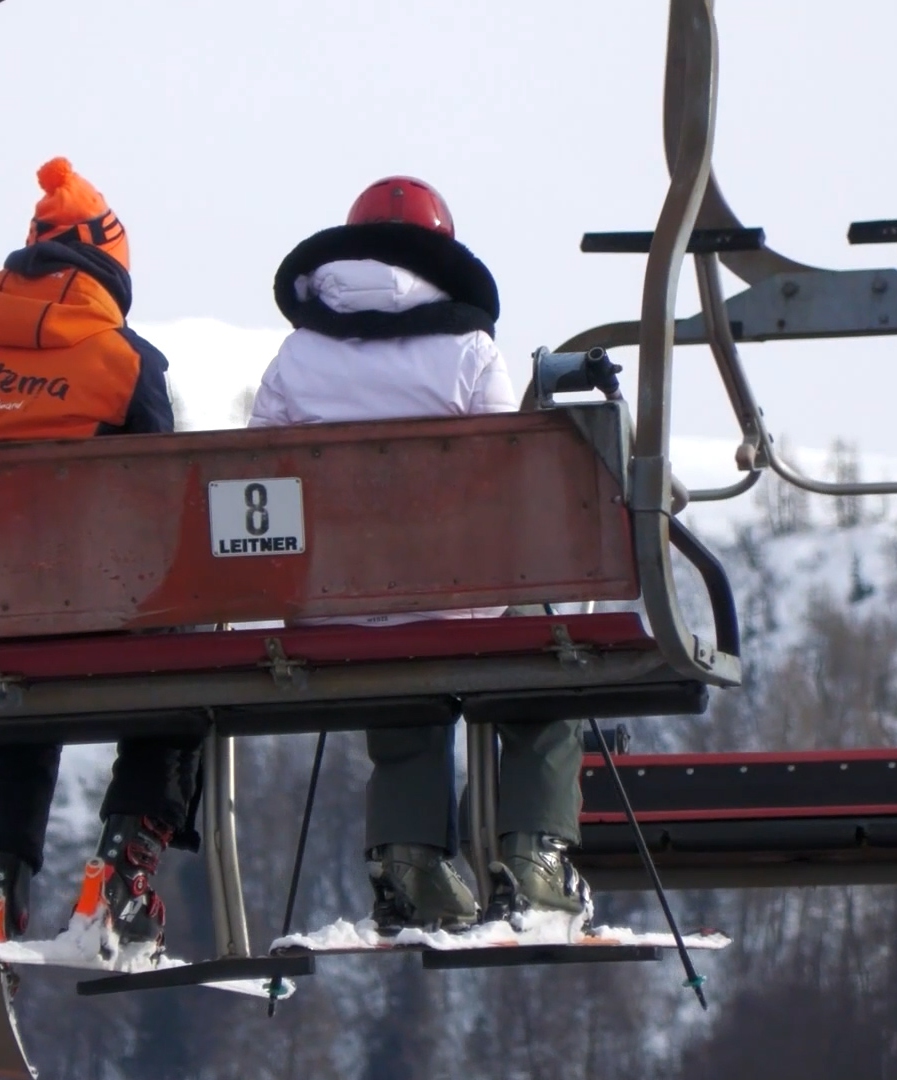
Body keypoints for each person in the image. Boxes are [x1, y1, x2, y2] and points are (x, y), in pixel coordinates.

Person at [247, 177, 592, 933]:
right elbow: (513, 471)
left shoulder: (296, 356)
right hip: (460, 591)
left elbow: (258, 472)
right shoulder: (469, 349)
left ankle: (411, 857)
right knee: (547, 651)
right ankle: (530, 854)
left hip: (342, 605)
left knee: (394, 659)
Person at [0, 157, 196, 948]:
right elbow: (162, 501)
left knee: (15, 684)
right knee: (188, 662)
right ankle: (123, 865)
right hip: (106, 620)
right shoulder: (126, 365)